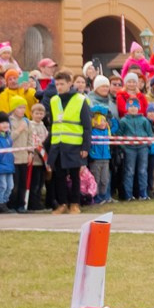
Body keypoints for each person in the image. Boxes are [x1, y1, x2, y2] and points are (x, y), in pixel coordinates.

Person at [46, 74, 92, 217]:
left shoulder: (80, 100)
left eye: (62, 84)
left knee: (74, 175)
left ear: (69, 84)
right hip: (57, 145)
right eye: (57, 84)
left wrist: (85, 146)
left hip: (74, 145)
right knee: (59, 176)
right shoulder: (54, 100)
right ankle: (62, 204)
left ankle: (75, 203)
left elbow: (87, 126)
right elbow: (53, 123)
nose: (59, 87)